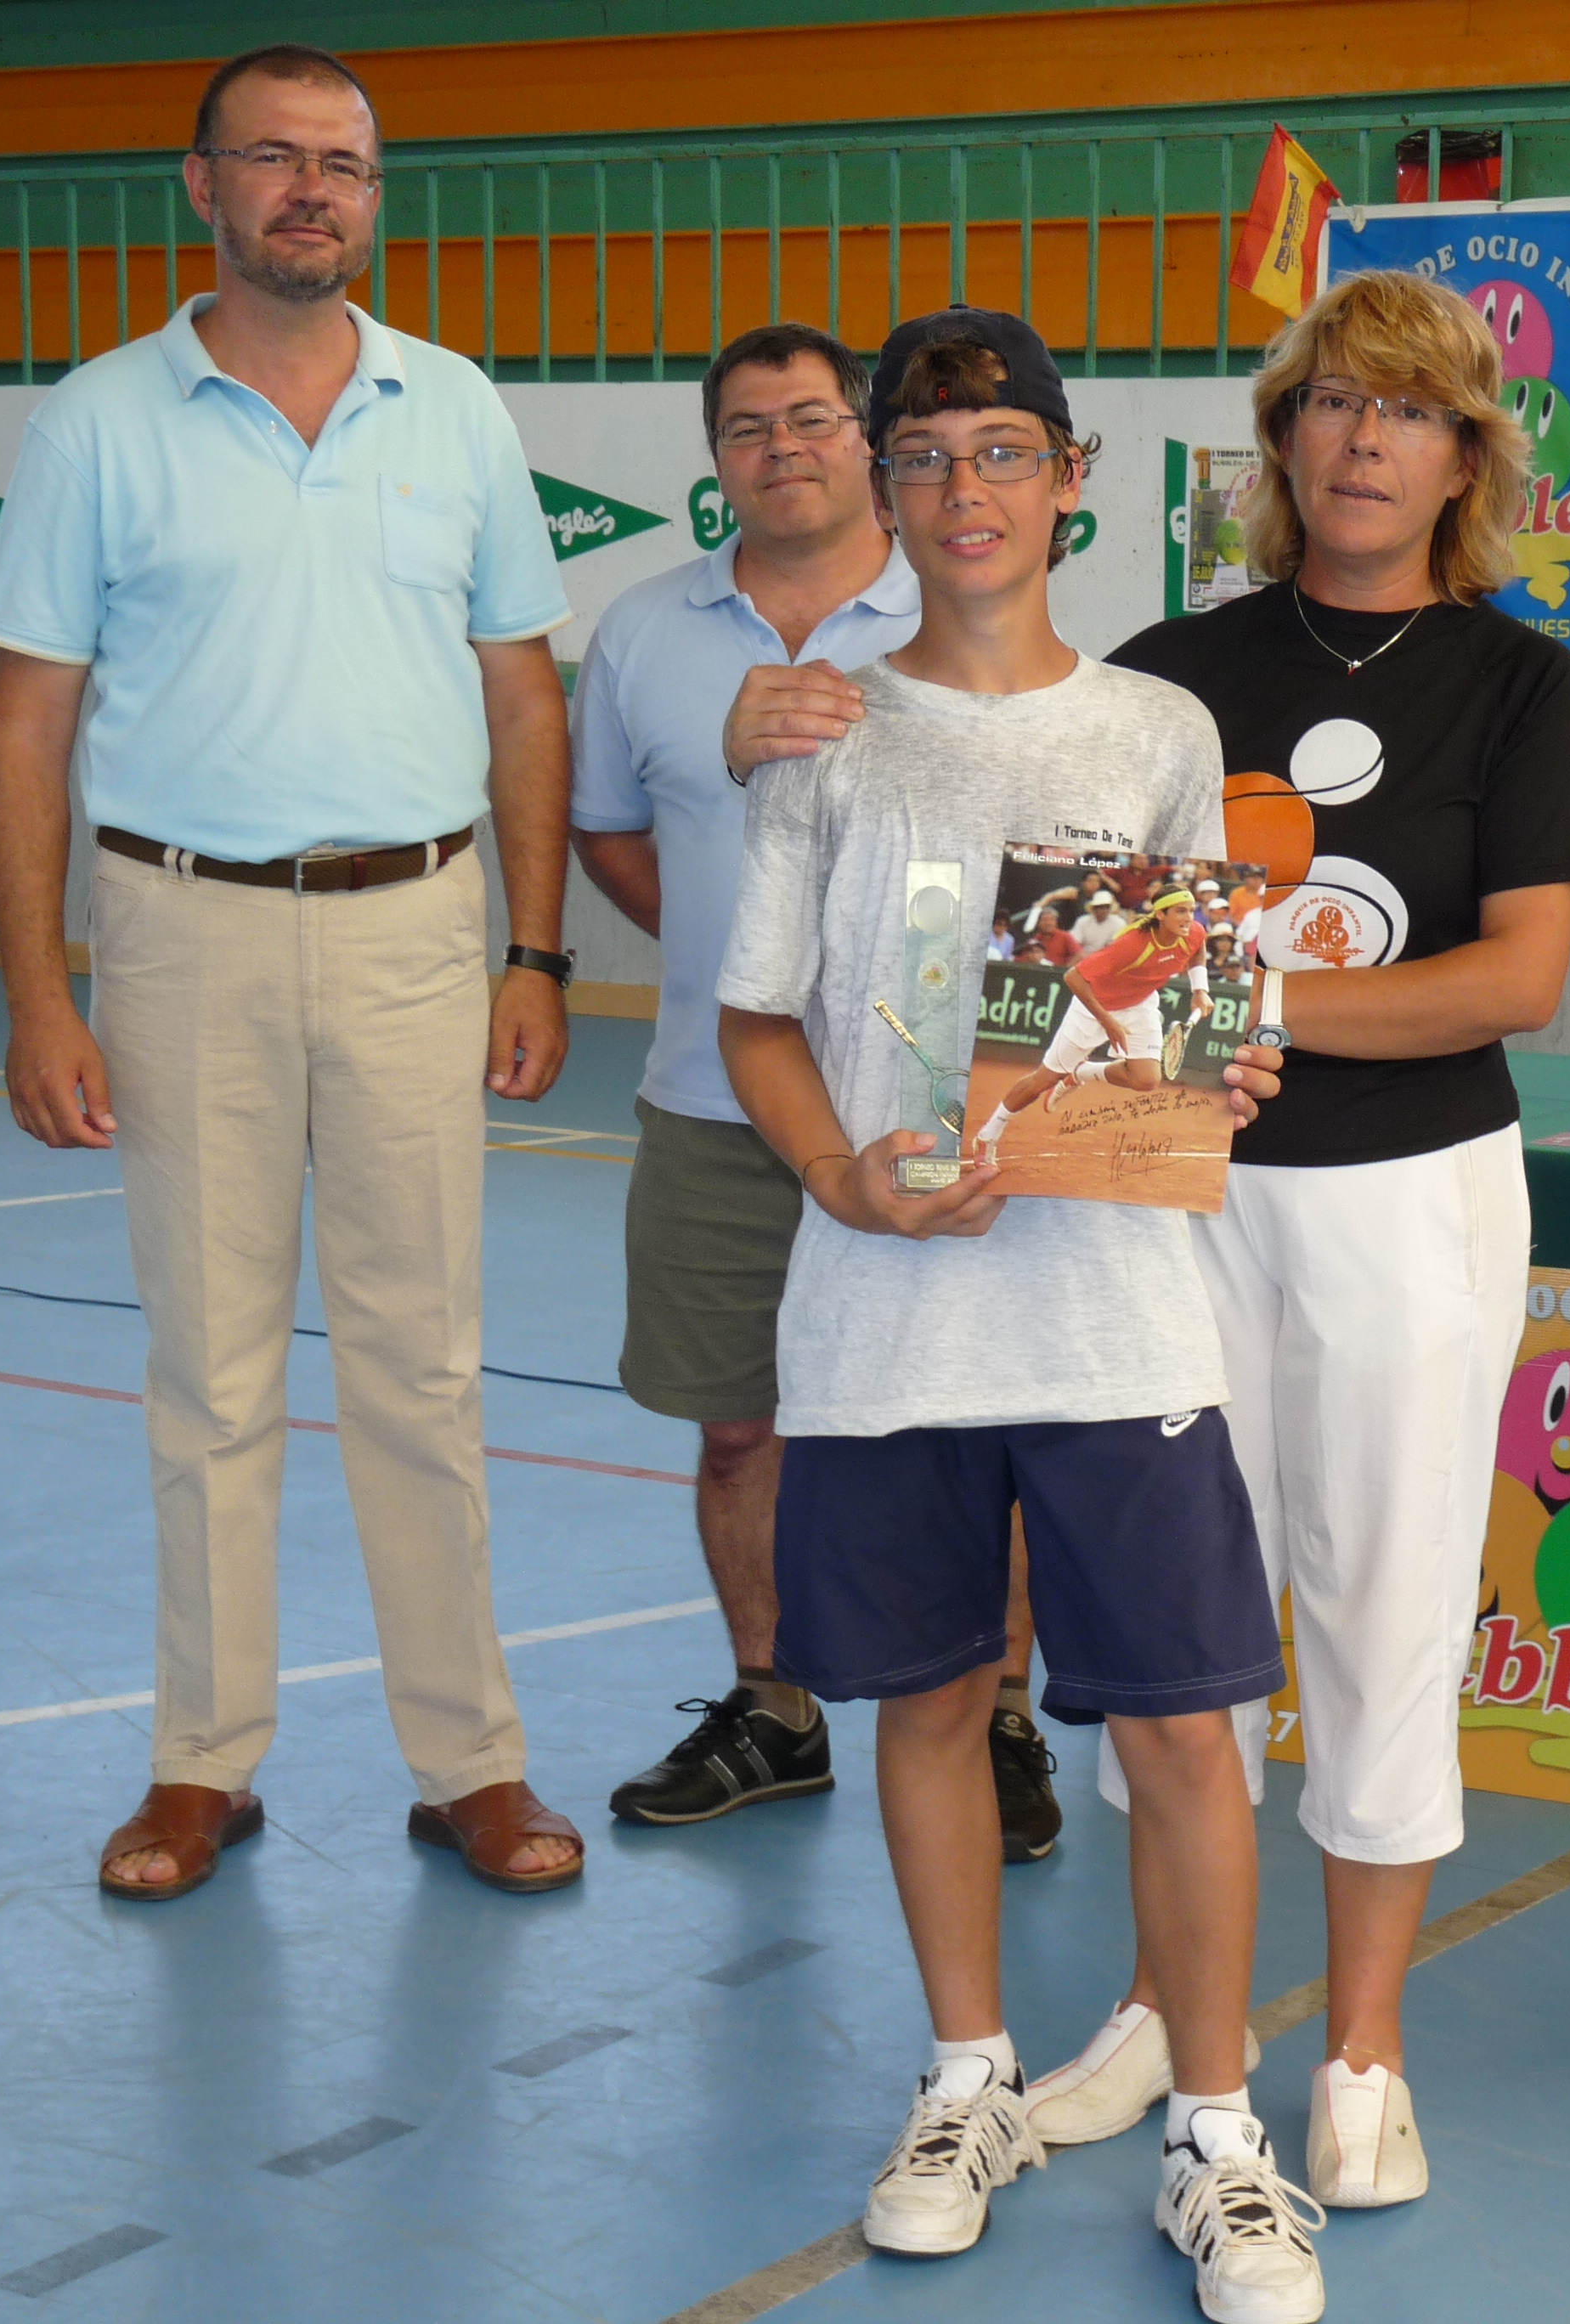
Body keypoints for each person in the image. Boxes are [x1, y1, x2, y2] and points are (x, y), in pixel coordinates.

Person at [716, 304, 1324, 2323]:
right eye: (923, 457)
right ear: (880, 488)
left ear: (1072, 480)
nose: (962, 491)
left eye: (1002, 455)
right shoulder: (820, 728)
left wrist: (1218, 1073)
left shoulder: (1157, 735)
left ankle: (1217, 2131)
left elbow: (1188, 1020)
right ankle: (968, 2076)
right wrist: (843, 1176)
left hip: (1112, 1317)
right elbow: (755, 1016)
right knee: (927, 1699)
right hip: (883, 1322)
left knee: (1181, 1724)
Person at [0, 43, 588, 1901]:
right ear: (204, 184)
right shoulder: (97, 422)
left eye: (345, 163)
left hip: (419, 929)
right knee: (213, 1375)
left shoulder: (456, 409)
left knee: (423, 1369)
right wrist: (39, 993)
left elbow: (520, 695)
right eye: (274, 157)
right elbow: (27, 725)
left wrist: (536, 949)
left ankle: (471, 1764)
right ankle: (201, 1765)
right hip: (180, 933)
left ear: (374, 197)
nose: (312, 190)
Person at [1070, 268, 1570, 2209]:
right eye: (1331, 402)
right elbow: (1096, 967)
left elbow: (1516, 980)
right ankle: (1167, 2002)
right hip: (1180, 1195)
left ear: (1467, 458)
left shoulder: (1518, 682)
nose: (1364, 440)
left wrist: (1245, 997)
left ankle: (1366, 2050)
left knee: (1387, 1604)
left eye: (1408, 411)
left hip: (1411, 1201)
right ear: (1281, 439)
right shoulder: (1161, 673)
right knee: (1172, 1618)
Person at [564, 323, 1058, 1866]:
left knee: (978, 1426)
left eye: (812, 420)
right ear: (715, 459)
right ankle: (773, 1707)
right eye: (746, 428)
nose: (781, 448)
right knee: (738, 1431)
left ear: (870, 441)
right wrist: (747, 968)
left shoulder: (965, 590)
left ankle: (1001, 1716)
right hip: (714, 1102)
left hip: (936, 1103)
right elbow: (609, 833)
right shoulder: (642, 632)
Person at [973, 882, 1212, 1159]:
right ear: (1160, 914)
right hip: (1093, 1008)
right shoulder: (1132, 945)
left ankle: (1082, 1073)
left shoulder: (1194, 932)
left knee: (1146, 1080)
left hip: (1140, 1004)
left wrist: (1200, 990)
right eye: (1181, 911)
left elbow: (1198, 949)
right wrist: (1108, 1022)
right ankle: (987, 1135)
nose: (1189, 917)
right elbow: (1073, 977)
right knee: (1044, 1080)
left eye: (1191, 910)